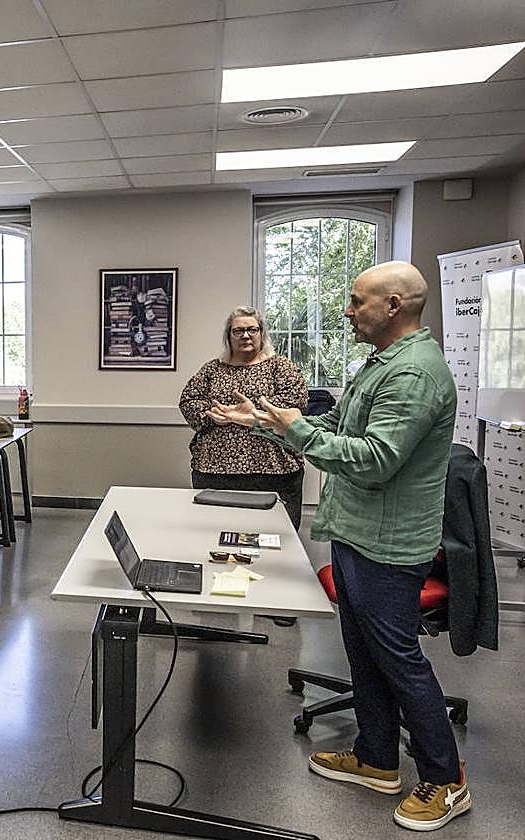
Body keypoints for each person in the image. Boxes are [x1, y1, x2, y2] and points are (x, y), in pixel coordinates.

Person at [209, 261, 469, 832]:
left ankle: (447, 780)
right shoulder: (382, 364)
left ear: (394, 305)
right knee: (366, 653)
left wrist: (294, 430)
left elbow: (374, 461)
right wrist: (262, 422)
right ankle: (377, 759)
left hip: (388, 543)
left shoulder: (413, 375)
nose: (348, 311)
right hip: (357, 532)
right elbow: (343, 434)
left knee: (399, 659)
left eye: (357, 301)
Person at [178, 306, 308, 530]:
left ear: (262, 333)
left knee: (273, 541)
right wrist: (214, 413)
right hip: (215, 473)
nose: (245, 335)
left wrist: (251, 411)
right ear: (228, 336)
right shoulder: (212, 370)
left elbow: (295, 401)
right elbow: (188, 400)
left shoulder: (280, 366)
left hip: (273, 473)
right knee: (215, 537)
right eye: (238, 331)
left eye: (252, 329)